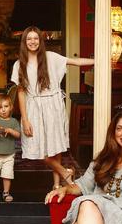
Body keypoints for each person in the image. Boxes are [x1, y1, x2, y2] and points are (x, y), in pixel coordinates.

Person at [11, 26, 95, 190]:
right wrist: (25, 119)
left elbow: (75, 62)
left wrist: (99, 60)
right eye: (29, 38)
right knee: (38, 149)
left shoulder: (50, 57)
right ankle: (65, 173)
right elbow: (20, 93)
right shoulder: (18, 64)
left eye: (36, 38)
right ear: (24, 42)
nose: (33, 41)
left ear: (40, 41)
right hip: (33, 107)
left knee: (55, 146)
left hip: (54, 105)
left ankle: (56, 185)